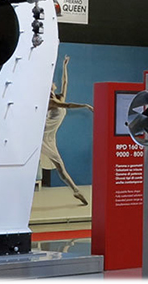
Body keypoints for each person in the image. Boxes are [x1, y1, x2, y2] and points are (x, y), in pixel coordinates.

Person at [40, 55, 93, 206]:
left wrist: (64, 66)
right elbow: (68, 106)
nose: (52, 87)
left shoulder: (59, 97)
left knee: (60, 166)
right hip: (41, 136)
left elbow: (65, 82)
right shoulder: (51, 102)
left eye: (52, 86)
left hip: (50, 138)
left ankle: (76, 191)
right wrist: (85, 106)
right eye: (49, 86)